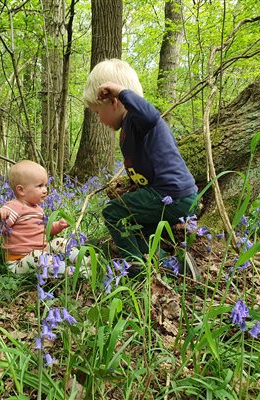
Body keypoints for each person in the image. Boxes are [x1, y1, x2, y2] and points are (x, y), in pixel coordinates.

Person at [82, 59, 199, 278]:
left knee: (113, 212)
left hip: (170, 194)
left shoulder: (138, 120)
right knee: (139, 231)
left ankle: (134, 268)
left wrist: (121, 91)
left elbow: (150, 114)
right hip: (175, 196)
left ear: (114, 101)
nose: (99, 120)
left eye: (98, 112)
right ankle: (173, 265)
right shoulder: (128, 127)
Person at [0, 160, 90, 277]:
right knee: (38, 257)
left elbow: (44, 229)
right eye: (40, 186)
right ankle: (73, 272)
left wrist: (57, 226)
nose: (45, 190)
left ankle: (85, 262)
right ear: (21, 190)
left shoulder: (38, 209)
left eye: (45, 185)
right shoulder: (13, 208)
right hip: (19, 262)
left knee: (59, 242)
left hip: (42, 252)